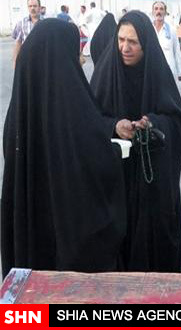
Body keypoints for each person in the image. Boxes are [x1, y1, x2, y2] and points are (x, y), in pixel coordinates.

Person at [2, 19, 126, 278]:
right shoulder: (72, 108)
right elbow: (96, 163)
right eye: (76, 51)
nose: (81, 59)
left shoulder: (17, 115)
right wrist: (117, 152)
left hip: (31, 245)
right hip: (69, 253)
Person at [90, 10, 181, 272]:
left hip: (153, 184)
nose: (125, 47)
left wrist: (153, 124)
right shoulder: (105, 73)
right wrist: (114, 126)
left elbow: (180, 123)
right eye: (121, 40)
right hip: (117, 181)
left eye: (132, 42)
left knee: (155, 248)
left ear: (145, 43)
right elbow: (88, 122)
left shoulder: (158, 74)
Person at [151, 1, 181, 81]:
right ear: (153, 12)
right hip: (152, 72)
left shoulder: (171, 30)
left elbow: (176, 51)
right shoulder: (148, 29)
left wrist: (180, 72)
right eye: (156, 9)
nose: (158, 11)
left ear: (165, 12)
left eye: (161, 9)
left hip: (168, 72)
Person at [12, 0, 43, 66]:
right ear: (28, 7)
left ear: (40, 8)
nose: (32, 8)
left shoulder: (46, 23)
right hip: (27, 60)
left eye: (35, 6)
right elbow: (18, 43)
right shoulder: (21, 23)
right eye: (30, 6)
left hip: (43, 59)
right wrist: (15, 61)